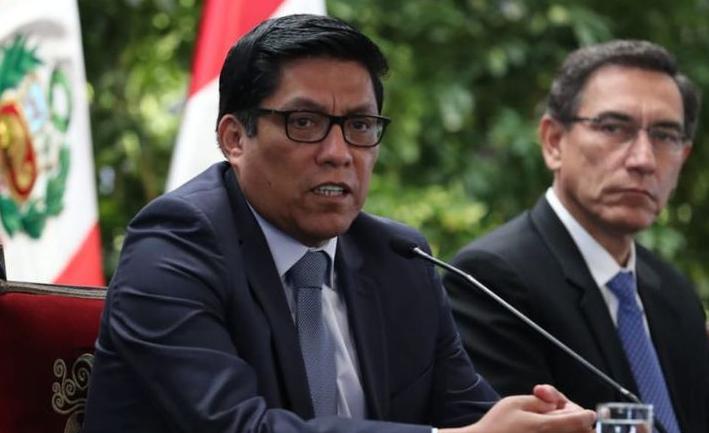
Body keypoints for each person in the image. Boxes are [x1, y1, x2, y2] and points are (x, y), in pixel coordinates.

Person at [82, 13, 595, 433]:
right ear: (235, 139)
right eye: (304, 123)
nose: (338, 153)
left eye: (359, 125)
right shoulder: (175, 243)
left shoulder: (397, 258)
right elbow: (237, 427)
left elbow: (471, 418)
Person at [444, 40, 709, 433]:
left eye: (665, 135)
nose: (643, 160)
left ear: (683, 156)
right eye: (613, 128)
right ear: (554, 141)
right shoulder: (492, 281)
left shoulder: (673, 293)